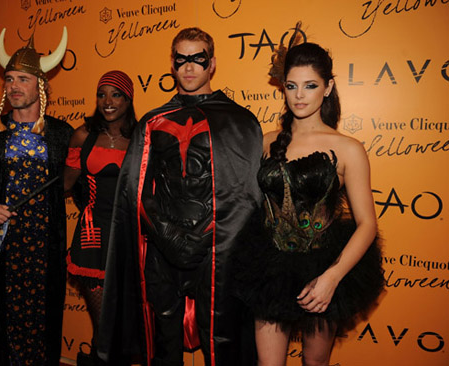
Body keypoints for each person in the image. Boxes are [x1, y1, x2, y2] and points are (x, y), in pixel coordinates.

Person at [98, 27, 263, 366]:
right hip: (162, 248)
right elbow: (136, 189)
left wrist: (204, 237)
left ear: (212, 63)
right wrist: (166, 233)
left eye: (197, 59)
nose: (189, 67)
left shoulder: (239, 122)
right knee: (162, 343)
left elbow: (244, 197)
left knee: (222, 342)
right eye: (181, 59)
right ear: (172, 65)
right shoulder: (153, 121)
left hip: (216, 252)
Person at [233, 26, 384, 366]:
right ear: (283, 88)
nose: (299, 95)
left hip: (324, 265)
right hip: (267, 266)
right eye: (291, 86)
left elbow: (366, 224)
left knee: (315, 363)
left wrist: (332, 278)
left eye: (311, 85)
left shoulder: (349, 149)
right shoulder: (266, 140)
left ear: (328, 87)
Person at [0, 27, 73, 365]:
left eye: (23, 79)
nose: (13, 87)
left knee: (43, 320)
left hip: (44, 246)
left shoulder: (62, 134)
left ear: (39, 85)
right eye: (9, 79)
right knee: (1, 320)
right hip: (3, 247)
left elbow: (81, 182)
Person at [63, 70, 136, 366]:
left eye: (115, 94)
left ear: (128, 99)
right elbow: (65, 185)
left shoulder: (139, 138)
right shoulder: (84, 135)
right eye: (101, 94)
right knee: (103, 323)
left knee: (125, 324)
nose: (107, 101)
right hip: (92, 237)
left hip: (127, 237)